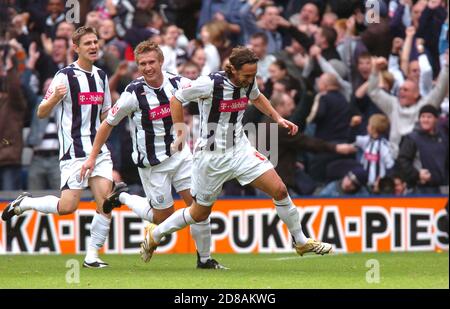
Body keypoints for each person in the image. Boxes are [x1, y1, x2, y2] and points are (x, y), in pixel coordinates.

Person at [140, 46, 333, 263]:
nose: (250, 79)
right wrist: (179, 132)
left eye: (253, 75)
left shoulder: (248, 82)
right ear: (232, 69)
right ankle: (155, 234)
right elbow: (176, 99)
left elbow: (257, 97)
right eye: (247, 75)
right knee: (199, 213)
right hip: (211, 157)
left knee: (279, 189)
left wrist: (278, 118)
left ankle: (300, 240)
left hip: (240, 150)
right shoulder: (210, 83)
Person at [80, 40, 226, 269]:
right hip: (152, 165)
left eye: (151, 62)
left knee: (199, 207)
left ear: (161, 62)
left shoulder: (178, 83)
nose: (147, 68)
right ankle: (122, 197)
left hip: (181, 157)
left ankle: (205, 259)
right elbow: (107, 123)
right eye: (142, 64)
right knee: (163, 220)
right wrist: (91, 157)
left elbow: (207, 90)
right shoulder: (133, 93)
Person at [2, 26, 114, 269]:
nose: (94, 46)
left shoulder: (101, 76)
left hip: (98, 151)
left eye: (95, 41)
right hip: (73, 152)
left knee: (105, 202)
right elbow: (41, 112)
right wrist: (53, 99)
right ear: (76, 48)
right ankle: (26, 203)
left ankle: (92, 257)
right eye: (88, 43)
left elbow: (106, 114)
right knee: (67, 208)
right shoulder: (64, 76)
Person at [396, 105, 448, 194]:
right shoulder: (412, 138)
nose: (425, 120)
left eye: (429, 117)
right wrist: (417, 175)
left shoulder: (444, 138)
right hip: (421, 188)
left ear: (436, 119)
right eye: (423, 117)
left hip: (444, 187)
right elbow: (402, 160)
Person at [352, 114, 395, 188]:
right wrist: (353, 126)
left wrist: (382, 182)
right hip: (365, 183)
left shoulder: (383, 146)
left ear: (374, 128)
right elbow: (352, 139)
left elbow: (390, 166)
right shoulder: (367, 140)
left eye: (369, 125)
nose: (366, 126)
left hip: (376, 186)